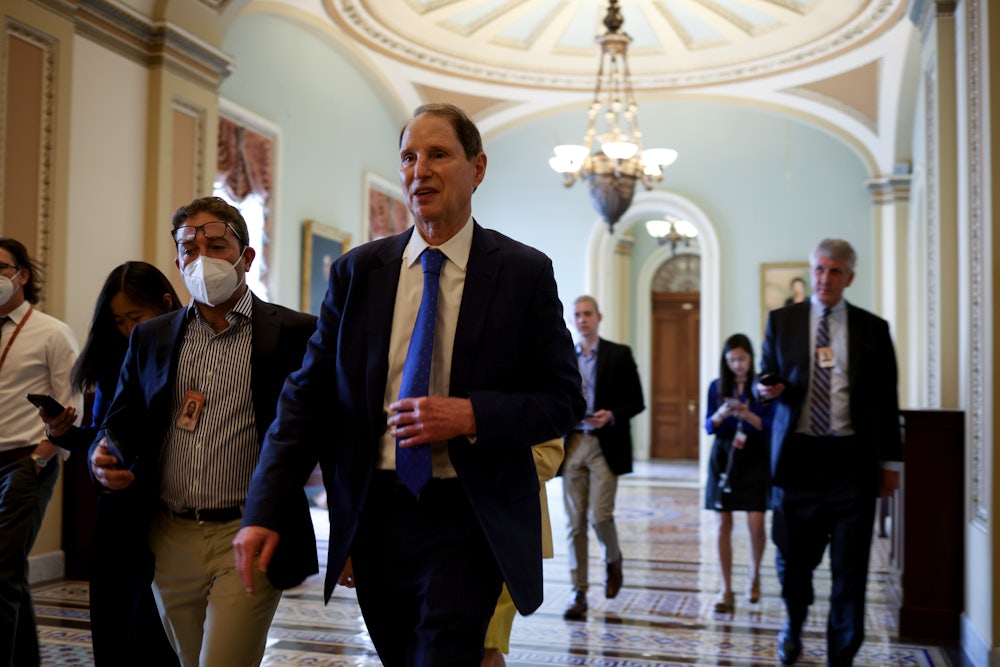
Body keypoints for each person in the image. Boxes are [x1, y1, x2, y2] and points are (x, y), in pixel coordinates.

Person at [233, 103, 584, 666]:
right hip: (375, 516)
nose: (420, 170)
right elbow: (305, 398)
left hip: (467, 513)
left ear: (478, 167)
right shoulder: (357, 272)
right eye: (409, 157)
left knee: (443, 653)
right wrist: (262, 509)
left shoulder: (522, 273)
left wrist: (471, 415)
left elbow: (565, 400)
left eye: (439, 154)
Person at [88, 197, 317, 667]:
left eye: (217, 245)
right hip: (169, 534)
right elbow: (121, 418)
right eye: (190, 250)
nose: (203, 259)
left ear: (245, 257)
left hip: (249, 531)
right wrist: (101, 453)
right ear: (177, 262)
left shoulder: (296, 333)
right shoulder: (153, 337)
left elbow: (328, 431)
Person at [757, 238, 901, 666]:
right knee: (794, 564)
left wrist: (890, 463)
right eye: (819, 269)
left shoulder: (873, 329)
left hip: (851, 462)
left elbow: (886, 400)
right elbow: (764, 382)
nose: (825, 279)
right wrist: (766, 389)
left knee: (849, 570)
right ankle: (794, 624)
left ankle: (843, 655)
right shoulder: (781, 321)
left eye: (835, 271)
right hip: (798, 460)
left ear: (849, 277)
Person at [40, 261, 180, 666]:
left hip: (167, 510)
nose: (126, 330)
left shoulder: (191, 354)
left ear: (166, 303)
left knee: (158, 634)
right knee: (113, 626)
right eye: (118, 320)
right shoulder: (111, 361)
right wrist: (61, 432)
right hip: (118, 512)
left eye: (135, 318)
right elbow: (103, 440)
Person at [0, 238, 80, 666]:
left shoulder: (51, 331)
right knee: (10, 572)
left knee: (1, 568)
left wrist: (41, 456)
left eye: (1, 267)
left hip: (26, 460)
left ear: (22, 275)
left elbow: (72, 402)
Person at [561, 295, 645, 621]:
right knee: (574, 524)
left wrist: (611, 415)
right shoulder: (565, 356)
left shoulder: (619, 354)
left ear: (599, 317)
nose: (582, 319)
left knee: (600, 516)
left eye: (588, 314)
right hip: (573, 442)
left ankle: (613, 560)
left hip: (605, 445)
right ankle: (578, 592)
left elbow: (637, 401)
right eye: (577, 315)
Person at [704, 333, 772, 614]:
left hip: (754, 457)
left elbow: (770, 425)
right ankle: (725, 588)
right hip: (725, 458)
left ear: (751, 358)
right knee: (723, 524)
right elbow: (709, 426)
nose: (737, 364)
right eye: (732, 359)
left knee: (756, 523)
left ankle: (755, 575)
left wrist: (747, 414)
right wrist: (721, 414)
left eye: (742, 359)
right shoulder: (717, 386)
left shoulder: (762, 386)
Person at [482, 438, 564, 667]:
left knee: (486, 642)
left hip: (508, 540)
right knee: (484, 646)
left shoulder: (531, 403)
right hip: (446, 538)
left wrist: (475, 473)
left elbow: (548, 459)